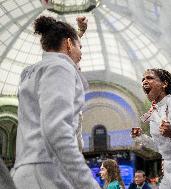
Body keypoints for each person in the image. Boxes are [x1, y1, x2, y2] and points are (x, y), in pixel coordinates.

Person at [10, 16, 101, 189]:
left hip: (25, 172)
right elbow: (56, 130)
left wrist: (78, 33)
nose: (81, 54)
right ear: (68, 44)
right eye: (79, 47)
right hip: (48, 174)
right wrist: (88, 184)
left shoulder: (30, 72)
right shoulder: (60, 67)